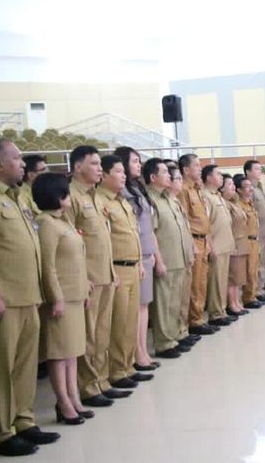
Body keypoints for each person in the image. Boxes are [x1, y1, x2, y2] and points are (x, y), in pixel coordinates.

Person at [0, 138, 60, 456]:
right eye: (17, 158)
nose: (23, 163)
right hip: (4, 299)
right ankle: (1, 433)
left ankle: (24, 421)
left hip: (28, 296)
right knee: (0, 369)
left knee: (24, 365)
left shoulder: (18, 196)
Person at [33, 173, 93, 426]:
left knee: (72, 352)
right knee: (59, 353)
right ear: (58, 196)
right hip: (62, 298)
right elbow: (47, 266)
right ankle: (64, 403)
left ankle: (74, 398)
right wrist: (55, 298)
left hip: (76, 294)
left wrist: (85, 285)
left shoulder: (63, 221)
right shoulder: (46, 223)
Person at [67, 146, 123, 408]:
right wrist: (83, 276)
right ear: (78, 167)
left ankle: (101, 381)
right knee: (89, 334)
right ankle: (87, 386)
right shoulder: (71, 196)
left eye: (101, 164)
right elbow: (70, 240)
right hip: (89, 277)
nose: (100, 168)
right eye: (94, 163)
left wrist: (111, 272)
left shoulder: (95, 197)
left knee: (102, 332)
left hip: (105, 274)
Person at [98, 155, 150, 390]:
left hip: (132, 266)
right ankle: (115, 371)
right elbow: (103, 240)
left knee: (129, 322)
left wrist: (139, 261)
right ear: (105, 175)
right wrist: (109, 270)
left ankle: (126, 366)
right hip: (116, 268)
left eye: (123, 172)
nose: (124, 175)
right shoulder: (101, 201)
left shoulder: (122, 201)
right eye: (118, 171)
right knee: (117, 324)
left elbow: (133, 234)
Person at [114, 147, 163, 372]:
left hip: (145, 253)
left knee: (143, 306)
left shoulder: (137, 189)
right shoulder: (121, 192)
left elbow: (147, 226)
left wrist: (153, 253)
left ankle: (142, 350)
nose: (138, 165)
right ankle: (136, 355)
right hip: (133, 254)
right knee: (136, 309)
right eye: (134, 161)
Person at [144, 158, 193, 360]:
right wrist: (159, 260)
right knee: (164, 302)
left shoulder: (169, 198)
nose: (169, 176)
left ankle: (174, 335)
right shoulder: (151, 199)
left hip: (179, 256)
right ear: (153, 177)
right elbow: (152, 233)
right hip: (166, 257)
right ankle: (164, 342)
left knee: (175, 300)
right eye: (164, 172)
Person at [177, 154, 215, 335]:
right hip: (193, 239)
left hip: (203, 239)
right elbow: (184, 218)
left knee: (201, 282)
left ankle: (198, 317)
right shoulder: (183, 190)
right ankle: (194, 320)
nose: (200, 168)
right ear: (185, 169)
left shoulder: (196, 189)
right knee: (194, 283)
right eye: (197, 165)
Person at [167, 166, 200, 353]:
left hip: (184, 251)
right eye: (176, 178)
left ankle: (181, 331)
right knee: (170, 301)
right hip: (171, 256)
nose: (179, 181)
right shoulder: (166, 200)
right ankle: (169, 338)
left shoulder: (174, 201)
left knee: (182, 296)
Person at [202, 165, 238, 328]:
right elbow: (206, 224)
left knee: (222, 280)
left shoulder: (218, 196)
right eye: (217, 174)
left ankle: (222, 310)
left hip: (225, 244)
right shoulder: (206, 196)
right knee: (216, 281)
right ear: (208, 177)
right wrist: (210, 246)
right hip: (216, 245)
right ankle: (215, 313)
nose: (221, 177)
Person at [244, 160, 265, 303]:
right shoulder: (248, 189)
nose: (260, 171)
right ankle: (255, 290)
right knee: (256, 263)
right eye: (257, 169)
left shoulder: (259, 187)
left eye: (260, 169)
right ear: (248, 172)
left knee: (263, 262)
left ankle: (261, 288)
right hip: (256, 232)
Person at [233, 174, 263, 310]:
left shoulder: (250, 203)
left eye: (251, 186)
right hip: (246, 240)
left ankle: (254, 294)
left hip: (254, 239)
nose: (251, 189)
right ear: (238, 190)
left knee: (255, 269)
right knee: (249, 271)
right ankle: (248, 298)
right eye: (247, 187)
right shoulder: (238, 205)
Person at [221, 174, 249, 316]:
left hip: (242, 242)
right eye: (229, 185)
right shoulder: (224, 204)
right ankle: (231, 304)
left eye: (233, 184)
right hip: (234, 243)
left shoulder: (234, 203)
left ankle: (237, 301)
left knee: (239, 276)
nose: (233, 187)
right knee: (233, 277)